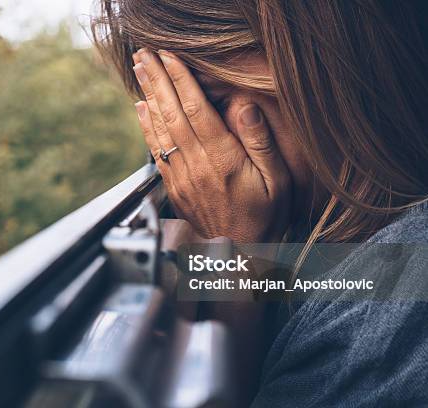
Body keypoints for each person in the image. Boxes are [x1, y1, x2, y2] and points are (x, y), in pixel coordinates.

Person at [92, 0, 428, 406]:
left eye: (207, 106)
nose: (194, 160)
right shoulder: (323, 243)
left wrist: (234, 253)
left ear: (309, 60)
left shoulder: (396, 298)